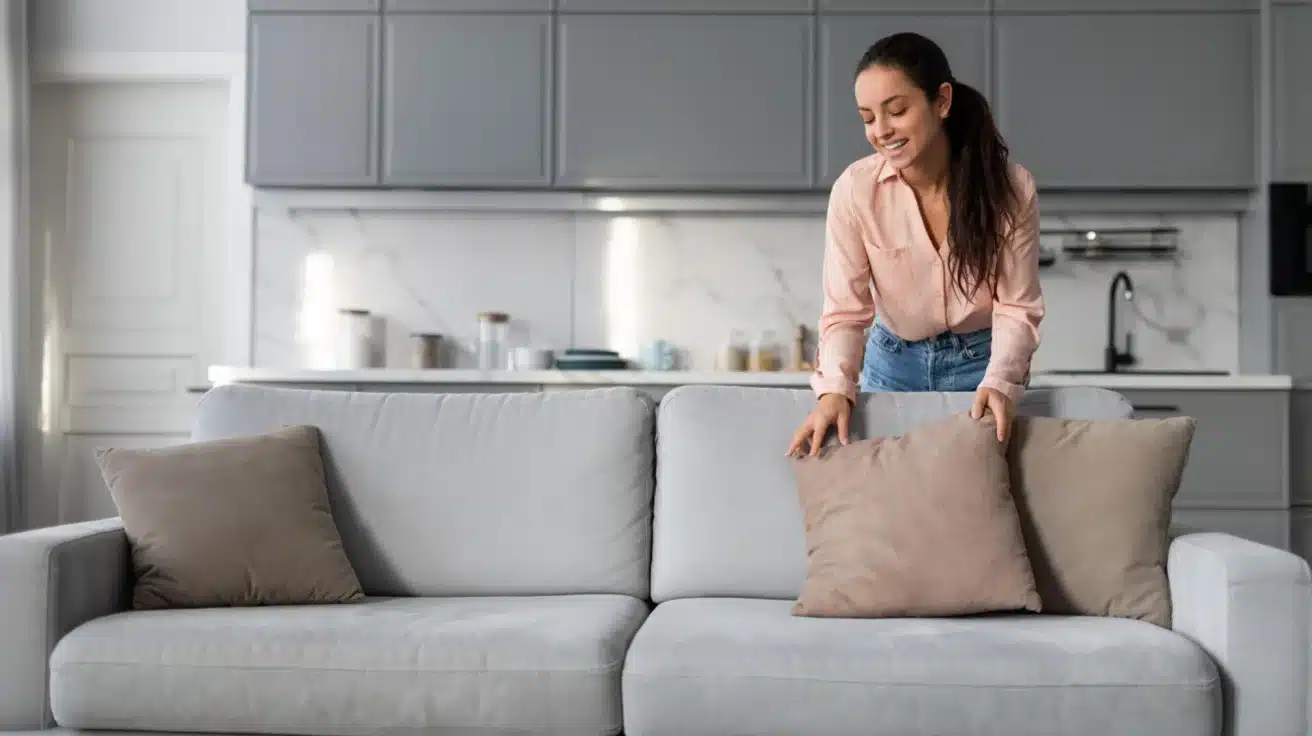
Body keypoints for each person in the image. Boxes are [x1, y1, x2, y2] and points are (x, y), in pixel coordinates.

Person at [787, 31, 1044, 458]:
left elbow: (1017, 306)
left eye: (897, 110)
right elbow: (846, 313)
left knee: (972, 499)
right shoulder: (855, 190)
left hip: (981, 364)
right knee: (887, 495)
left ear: (941, 102)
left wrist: (1000, 381)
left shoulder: (1011, 188)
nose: (881, 131)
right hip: (891, 363)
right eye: (868, 118)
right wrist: (834, 390)